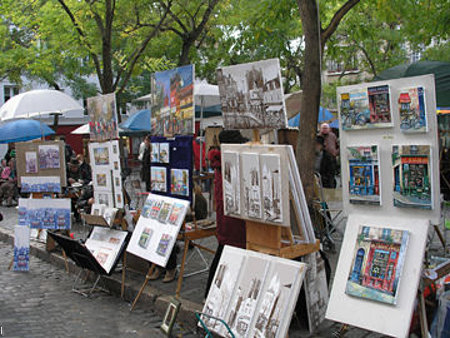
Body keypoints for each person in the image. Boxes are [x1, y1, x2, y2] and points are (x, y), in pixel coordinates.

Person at [204, 130, 247, 298]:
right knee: (226, 257)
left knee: (224, 256)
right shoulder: (227, 163)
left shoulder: (220, 162)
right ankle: (213, 296)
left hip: (227, 219)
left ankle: (211, 294)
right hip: (232, 221)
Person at [318, 123, 339, 188]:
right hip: (322, 158)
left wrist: (336, 152)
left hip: (332, 157)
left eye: (326, 128)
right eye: (323, 128)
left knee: (331, 175)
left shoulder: (333, 136)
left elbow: (339, 145)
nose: (324, 130)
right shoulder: (318, 136)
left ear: (329, 129)